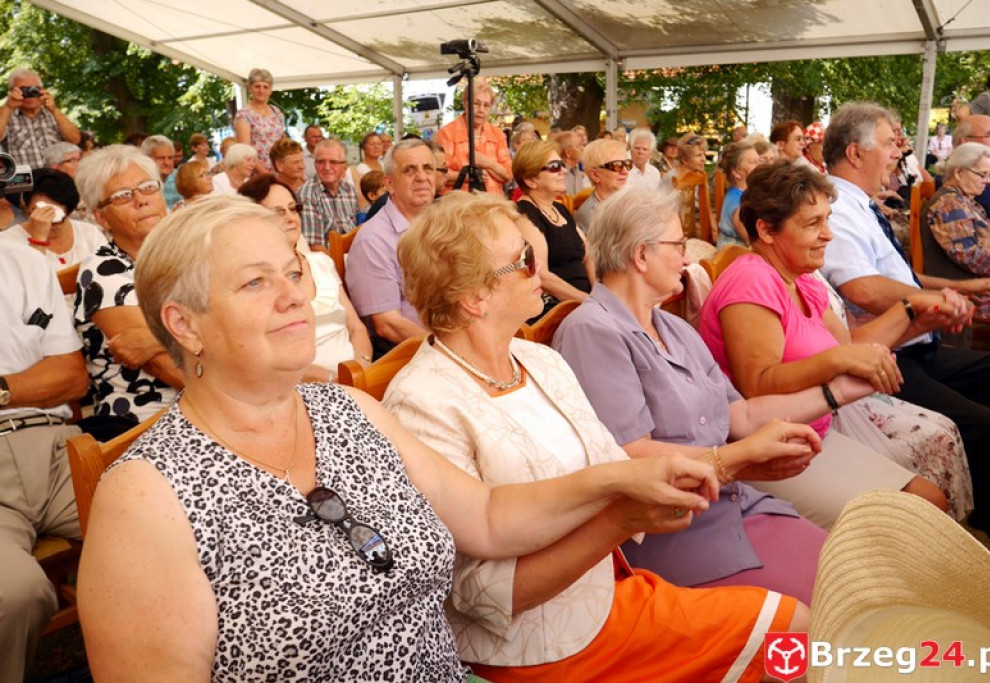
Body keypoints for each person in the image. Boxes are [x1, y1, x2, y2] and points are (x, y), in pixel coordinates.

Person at [78, 195, 727, 682]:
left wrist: (622, 482)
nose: (293, 297)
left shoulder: (347, 410)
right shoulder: (147, 497)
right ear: (183, 325)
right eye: (255, 282)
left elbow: (488, 517)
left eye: (293, 272)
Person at [384, 190, 810, 683]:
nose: (540, 270)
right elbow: (483, 596)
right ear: (475, 299)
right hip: (538, 647)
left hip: (610, 589)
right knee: (793, 634)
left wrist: (715, 469)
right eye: (524, 260)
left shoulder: (537, 360)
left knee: (797, 630)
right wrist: (620, 518)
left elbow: (617, 466)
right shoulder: (422, 405)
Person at [554, 187, 873, 603]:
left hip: (731, 506)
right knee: (840, 608)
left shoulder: (673, 327)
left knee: (861, 579)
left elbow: (740, 415)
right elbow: (627, 455)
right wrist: (740, 459)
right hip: (672, 531)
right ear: (641, 254)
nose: (687, 259)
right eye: (679, 245)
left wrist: (837, 392)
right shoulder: (592, 332)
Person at [699, 161, 972, 525]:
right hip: (769, 450)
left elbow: (850, 344)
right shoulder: (752, 280)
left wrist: (914, 312)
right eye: (813, 223)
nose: (828, 234)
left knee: (929, 499)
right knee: (918, 512)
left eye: (827, 219)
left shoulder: (800, 275)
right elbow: (758, 384)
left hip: (811, 433)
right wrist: (839, 362)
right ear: (765, 230)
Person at [818, 102, 990, 561]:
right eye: (890, 143)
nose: (899, 153)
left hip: (915, 345)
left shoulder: (858, 203)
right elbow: (862, 288)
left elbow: (902, 279)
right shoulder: (836, 206)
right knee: (981, 424)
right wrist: (929, 303)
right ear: (855, 153)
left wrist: (951, 288)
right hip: (886, 355)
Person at [0, 240, 89, 683]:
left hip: (54, 446)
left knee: (171, 531)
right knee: (16, 593)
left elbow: (71, 376)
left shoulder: (23, 261)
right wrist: (29, 381)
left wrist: (1, 390)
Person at [74, 145, 183, 439]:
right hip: (150, 426)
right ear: (102, 218)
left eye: (147, 187)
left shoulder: (189, 253)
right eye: (122, 196)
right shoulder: (101, 271)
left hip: (216, 407)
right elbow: (170, 369)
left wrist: (156, 337)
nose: (141, 200)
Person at [238, 174, 373, 375]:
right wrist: (331, 380)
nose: (290, 218)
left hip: (354, 376)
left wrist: (361, 367)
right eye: (278, 212)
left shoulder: (320, 263)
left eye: (293, 209)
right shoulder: (251, 281)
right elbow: (261, 353)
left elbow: (356, 328)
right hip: (297, 383)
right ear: (252, 221)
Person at [922, 142, 990, 358]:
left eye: (989, 176)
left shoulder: (964, 200)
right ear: (959, 172)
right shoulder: (949, 204)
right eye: (982, 175)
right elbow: (971, 257)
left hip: (989, 278)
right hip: (971, 288)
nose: (986, 182)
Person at [345, 139, 433, 350]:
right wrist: (451, 351)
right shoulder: (373, 241)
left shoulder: (444, 223)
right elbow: (387, 325)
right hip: (414, 354)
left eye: (428, 168)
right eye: (410, 170)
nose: (422, 177)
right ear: (389, 184)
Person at [513, 140, 593, 313]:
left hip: (584, 301)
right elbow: (542, 276)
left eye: (562, 165)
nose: (564, 171)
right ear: (531, 180)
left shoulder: (559, 208)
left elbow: (588, 255)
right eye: (554, 167)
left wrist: (600, 294)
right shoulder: (525, 214)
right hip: (558, 308)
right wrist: (589, 302)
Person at [1, 168, 106, 279]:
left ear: (69, 213)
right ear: (27, 208)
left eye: (56, 219)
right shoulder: (7, 243)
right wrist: (38, 239)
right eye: (40, 213)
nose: (47, 223)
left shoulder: (90, 234)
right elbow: (29, 285)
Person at [436, 79, 512, 196]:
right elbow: (439, 174)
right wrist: (468, 176)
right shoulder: (447, 134)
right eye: (476, 104)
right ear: (466, 103)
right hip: (459, 207)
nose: (481, 110)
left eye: (486, 105)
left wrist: (486, 163)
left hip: (493, 207)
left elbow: (508, 174)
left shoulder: (498, 135)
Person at [0, 67, 81, 169]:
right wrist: (8, 107)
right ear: (12, 91)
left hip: (57, 180)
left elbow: (75, 139)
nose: (30, 94)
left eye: (34, 89)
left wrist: (54, 110)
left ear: (42, 90)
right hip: (26, 182)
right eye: (24, 90)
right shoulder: (6, 115)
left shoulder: (54, 115)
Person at [297, 138, 359, 252]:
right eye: (321, 162)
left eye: (333, 162)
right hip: (326, 263)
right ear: (315, 164)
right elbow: (315, 247)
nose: (326, 167)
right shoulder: (308, 194)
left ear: (344, 167)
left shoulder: (349, 190)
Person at [233, 68, 285, 175]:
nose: (261, 90)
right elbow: (245, 151)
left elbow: (282, 143)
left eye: (265, 87)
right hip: (256, 173)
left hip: (279, 170)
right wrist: (265, 175)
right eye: (257, 86)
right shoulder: (244, 114)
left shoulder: (277, 112)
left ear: (270, 90)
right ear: (250, 88)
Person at [573, 138, 630, 233]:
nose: (625, 171)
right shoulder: (591, 215)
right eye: (616, 166)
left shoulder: (625, 202)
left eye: (627, 164)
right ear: (595, 175)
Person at [716, 140, 759, 247]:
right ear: (736, 172)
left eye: (759, 161)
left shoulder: (747, 193)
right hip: (733, 252)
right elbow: (750, 241)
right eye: (752, 162)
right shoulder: (738, 203)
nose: (759, 166)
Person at [142, 135, 182, 208]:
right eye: (161, 158)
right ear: (147, 159)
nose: (167, 163)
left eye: (170, 158)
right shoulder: (140, 185)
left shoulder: (181, 178)